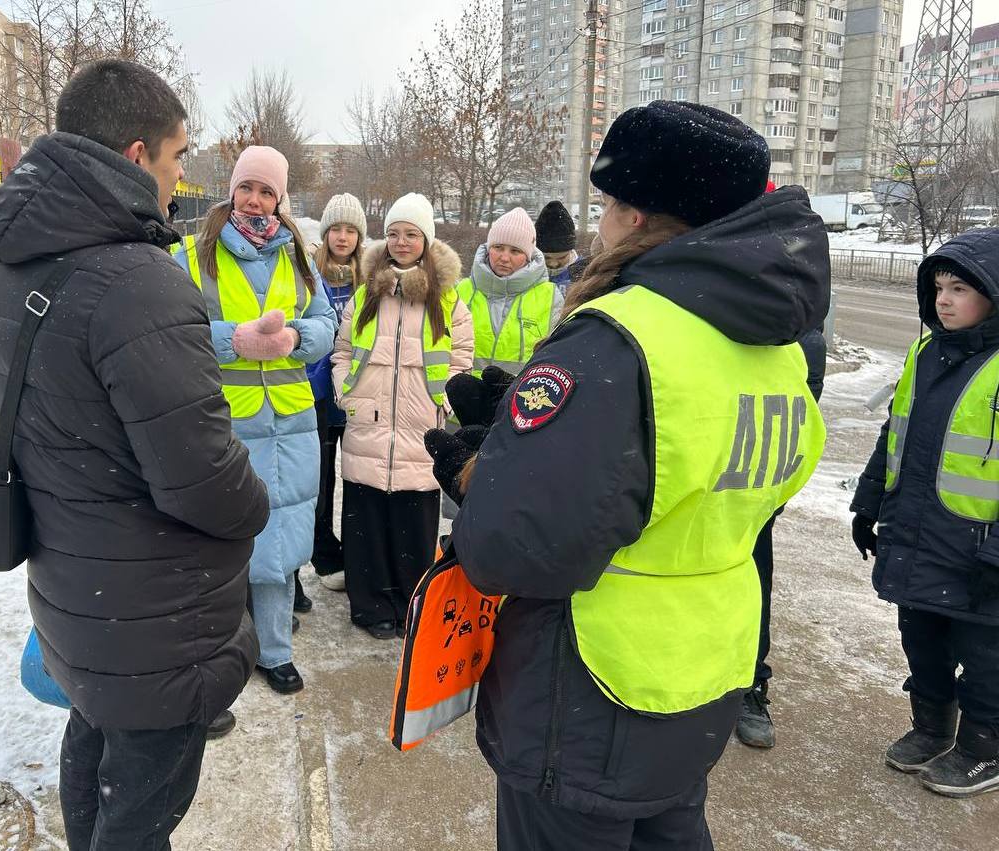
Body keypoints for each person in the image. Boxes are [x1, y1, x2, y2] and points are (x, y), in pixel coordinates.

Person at [425, 101, 828, 849]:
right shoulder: (776, 347)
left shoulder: (617, 339)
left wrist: (480, 475)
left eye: (608, 202)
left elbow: (511, 548)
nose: (600, 220)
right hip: (701, 672)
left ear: (636, 215)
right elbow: (685, 473)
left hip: (592, 688)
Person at [0, 59, 269, 850]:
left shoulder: (8, 267)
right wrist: (256, 503)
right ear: (136, 157)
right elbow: (204, 478)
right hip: (154, 613)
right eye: (176, 158)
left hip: (79, 592)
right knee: (140, 812)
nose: (179, 179)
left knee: (97, 750)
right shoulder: (139, 281)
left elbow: (11, 411)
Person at [174, 146, 337, 696]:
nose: (256, 200)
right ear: (231, 188)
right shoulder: (197, 256)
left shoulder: (297, 256)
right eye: (248, 187)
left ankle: (274, 650)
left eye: (268, 191)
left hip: (290, 420)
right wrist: (234, 340)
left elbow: (326, 324)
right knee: (223, 545)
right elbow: (173, 330)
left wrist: (295, 337)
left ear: (280, 197)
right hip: (225, 421)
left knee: (283, 538)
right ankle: (223, 650)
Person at [850, 228, 999, 798]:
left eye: (960, 287)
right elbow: (896, 435)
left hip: (980, 549)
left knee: (984, 654)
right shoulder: (925, 353)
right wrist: (868, 502)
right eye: (938, 286)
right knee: (921, 636)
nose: (944, 299)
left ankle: (985, 747)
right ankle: (932, 726)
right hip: (919, 533)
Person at [330, 192, 473, 639]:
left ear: (427, 240)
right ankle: (370, 607)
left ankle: (409, 606)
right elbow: (343, 351)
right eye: (393, 233)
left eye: (411, 234)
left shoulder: (449, 302)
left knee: (414, 529)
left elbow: (461, 358)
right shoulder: (365, 295)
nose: (401, 242)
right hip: (367, 426)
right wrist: (344, 393)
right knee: (365, 525)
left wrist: (443, 401)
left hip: (419, 431)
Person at [735, 325, 828, 748]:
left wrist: (773, 492)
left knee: (751, 582)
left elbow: (801, 422)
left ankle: (749, 685)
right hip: (674, 479)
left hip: (747, 489)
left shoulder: (798, 336)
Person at [306, 193, 367, 593]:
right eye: (336, 230)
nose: (342, 238)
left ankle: (359, 555)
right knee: (321, 478)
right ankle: (324, 554)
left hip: (360, 391)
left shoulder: (372, 277)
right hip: (318, 393)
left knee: (360, 476)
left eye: (350, 230)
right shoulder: (307, 273)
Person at [456, 207, 563, 377]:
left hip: (520, 398)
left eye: (515, 251)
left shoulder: (550, 297)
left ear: (528, 256)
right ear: (488, 248)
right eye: (498, 247)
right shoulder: (460, 291)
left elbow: (555, 358)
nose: (505, 258)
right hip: (461, 397)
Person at [535, 201, 580, 294]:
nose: (554, 264)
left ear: (571, 252)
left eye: (562, 257)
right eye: (546, 257)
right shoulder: (526, 273)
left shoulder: (584, 275)